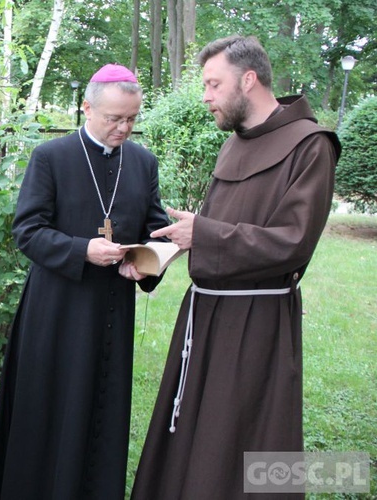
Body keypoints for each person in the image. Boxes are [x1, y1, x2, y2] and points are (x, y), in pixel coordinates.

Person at [130, 35, 341, 500]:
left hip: (257, 319)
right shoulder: (235, 144)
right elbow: (221, 229)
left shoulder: (311, 146)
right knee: (194, 426)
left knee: (243, 426)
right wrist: (170, 248)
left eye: (213, 84)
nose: (205, 96)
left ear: (249, 80)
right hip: (205, 313)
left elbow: (293, 242)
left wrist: (203, 234)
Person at [0, 64, 170, 499]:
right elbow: (27, 230)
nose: (124, 128)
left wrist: (148, 261)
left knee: (101, 407)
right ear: (86, 107)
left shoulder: (143, 162)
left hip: (112, 310)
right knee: (51, 406)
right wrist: (83, 249)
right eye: (114, 118)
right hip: (57, 310)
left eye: (131, 119)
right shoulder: (52, 156)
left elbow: (155, 231)